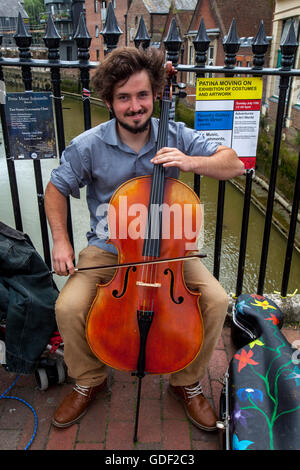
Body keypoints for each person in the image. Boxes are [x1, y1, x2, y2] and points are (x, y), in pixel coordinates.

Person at [44, 46, 244, 431]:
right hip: (109, 249)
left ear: (154, 95)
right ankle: (89, 380)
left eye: (142, 95)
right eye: (124, 97)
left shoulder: (175, 134)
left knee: (217, 301)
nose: (135, 106)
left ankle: (186, 384)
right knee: (68, 308)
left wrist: (190, 162)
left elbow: (233, 163)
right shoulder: (90, 145)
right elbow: (55, 188)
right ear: (109, 101)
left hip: (169, 251)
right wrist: (61, 241)